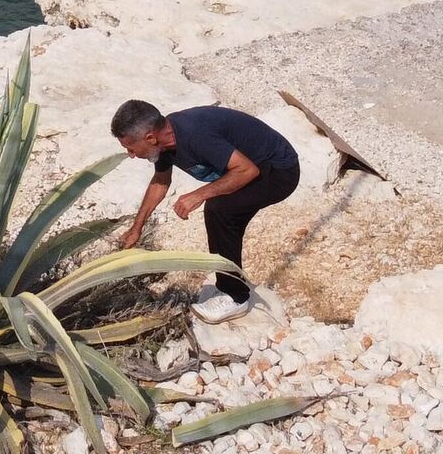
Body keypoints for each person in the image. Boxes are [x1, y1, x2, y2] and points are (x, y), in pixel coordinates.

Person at [109, 99, 300, 324]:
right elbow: (161, 181)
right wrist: (136, 228)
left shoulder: (195, 136)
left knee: (219, 210)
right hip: (250, 168)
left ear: (150, 138)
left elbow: (247, 170)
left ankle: (235, 297)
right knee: (227, 217)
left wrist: (198, 195)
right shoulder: (164, 143)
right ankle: (229, 278)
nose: (131, 154)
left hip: (278, 170)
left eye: (130, 148)